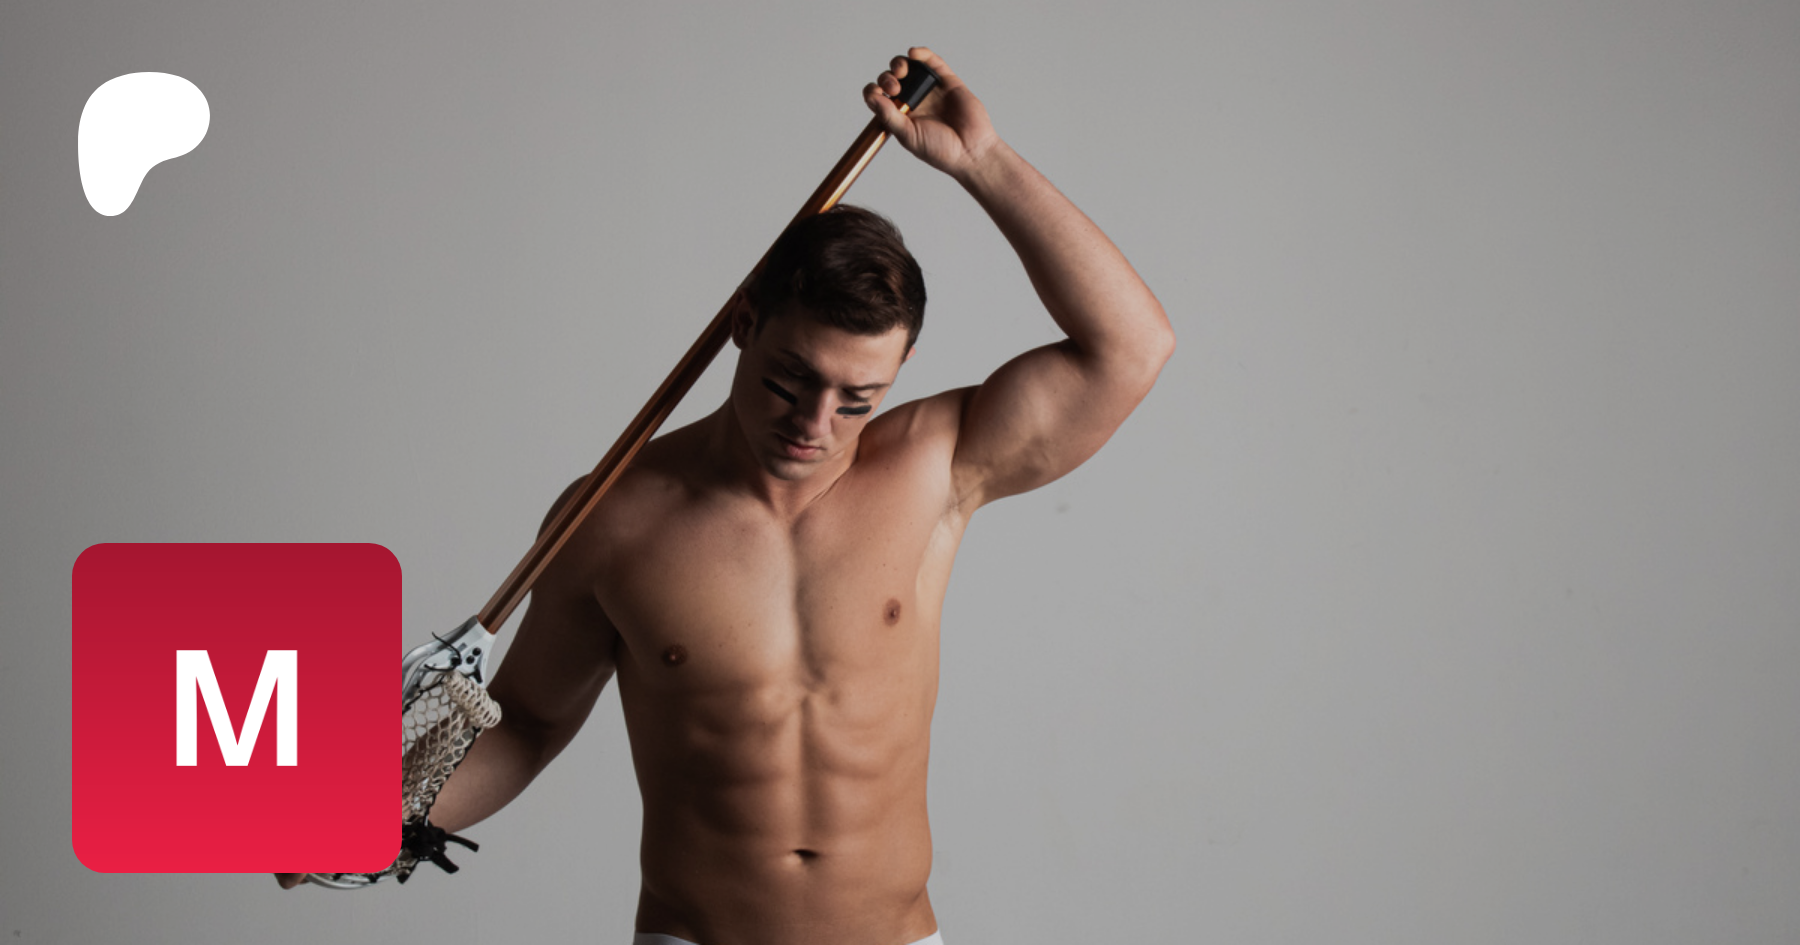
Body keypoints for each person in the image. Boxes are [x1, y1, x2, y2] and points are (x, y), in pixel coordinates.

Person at [280, 47, 1174, 945]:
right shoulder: (612, 517)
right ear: (744, 324)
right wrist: (357, 813)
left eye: (857, 399)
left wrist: (983, 162)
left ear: (901, 367)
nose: (815, 424)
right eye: (791, 380)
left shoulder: (935, 466)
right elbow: (529, 724)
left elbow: (1130, 348)